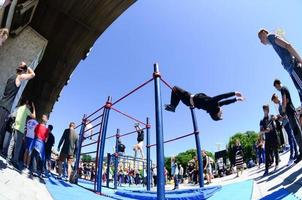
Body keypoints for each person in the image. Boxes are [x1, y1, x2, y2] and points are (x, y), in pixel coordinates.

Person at [258, 29, 302, 105]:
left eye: (260, 37)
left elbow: (288, 46)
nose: (260, 41)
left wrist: (300, 60)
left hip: (293, 68)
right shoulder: (272, 41)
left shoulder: (270, 37)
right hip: (292, 71)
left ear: (264, 33)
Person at [0, 62, 35, 149]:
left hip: (1, 104)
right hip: (5, 108)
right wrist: (26, 66)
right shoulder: (19, 77)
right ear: (22, 71)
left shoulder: (11, 77)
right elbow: (32, 74)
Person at [164, 86, 244, 121]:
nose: (222, 112)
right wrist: (236, 99)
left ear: (217, 113)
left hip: (188, 98)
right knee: (177, 94)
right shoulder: (213, 107)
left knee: (175, 89)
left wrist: (234, 93)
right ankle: (173, 106)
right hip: (189, 99)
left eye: (221, 114)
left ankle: (173, 106)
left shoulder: (212, 104)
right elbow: (226, 102)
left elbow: (221, 97)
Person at [274, 79, 302, 163]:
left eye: (276, 87)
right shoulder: (285, 89)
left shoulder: (283, 89)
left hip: (290, 113)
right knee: (297, 132)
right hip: (290, 113)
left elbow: (284, 101)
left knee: (297, 132)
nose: (277, 89)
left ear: (278, 84)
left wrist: (283, 108)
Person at [6, 100, 35, 169]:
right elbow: (34, 116)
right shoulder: (26, 109)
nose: (29, 107)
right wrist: (34, 108)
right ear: (27, 104)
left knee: (12, 143)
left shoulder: (19, 108)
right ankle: (14, 161)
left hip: (15, 127)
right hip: (20, 130)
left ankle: (8, 159)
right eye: (29, 106)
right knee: (17, 147)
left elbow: (13, 115)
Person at [272, 93, 298, 166]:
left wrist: (278, 118)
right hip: (286, 123)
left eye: (274, 101)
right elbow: (283, 116)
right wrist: (279, 117)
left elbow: (286, 115)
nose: (274, 102)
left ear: (276, 98)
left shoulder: (282, 104)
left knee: (290, 138)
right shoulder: (280, 105)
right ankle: (296, 153)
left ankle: (292, 156)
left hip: (287, 122)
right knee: (292, 138)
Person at [260, 105, 280, 176]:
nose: (266, 110)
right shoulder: (262, 121)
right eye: (265, 109)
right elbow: (261, 131)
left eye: (267, 109)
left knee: (275, 151)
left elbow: (278, 118)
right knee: (267, 154)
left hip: (274, 136)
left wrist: (276, 118)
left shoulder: (272, 116)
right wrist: (265, 131)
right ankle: (266, 170)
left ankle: (277, 165)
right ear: (263, 110)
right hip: (267, 139)